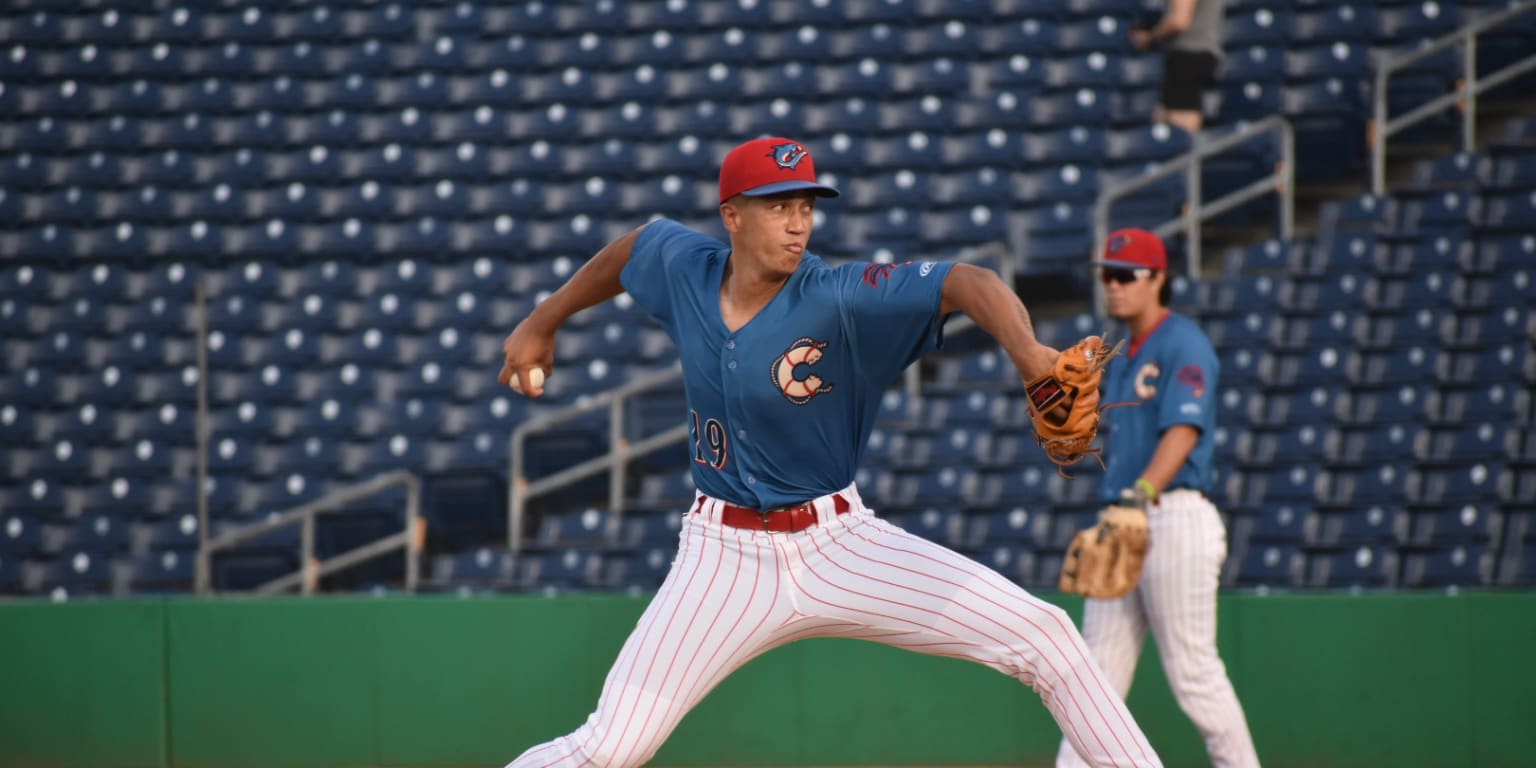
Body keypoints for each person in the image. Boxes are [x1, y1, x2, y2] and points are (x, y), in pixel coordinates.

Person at [497, 137, 1163, 768]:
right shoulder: (683, 267)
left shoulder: (840, 297)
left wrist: (1030, 356)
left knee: (1047, 636)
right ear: (732, 216)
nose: (798, 223)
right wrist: (541, 319)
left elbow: (969, 281)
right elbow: (631, 249)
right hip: (721, 557)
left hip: (838, 542)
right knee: (612, 747)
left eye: (806, 205)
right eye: (779, 206)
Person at [1054, 228, 1260, 768]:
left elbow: (1184, 432)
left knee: (1193, 674)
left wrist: (1139, 495)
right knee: (1092, 679)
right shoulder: (1120, 357)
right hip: (1123, 517)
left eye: (1126, 275)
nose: (1114, 286)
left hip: (1174, 517)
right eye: (1107, 275)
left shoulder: (1183, 342)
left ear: (1159, 279)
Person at [1130, 0, 1226, 134]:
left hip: (1188, 55)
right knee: (1163, 116)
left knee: (1180, 128)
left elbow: (1178, 21)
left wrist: (1150, 37)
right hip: (1202, 53)